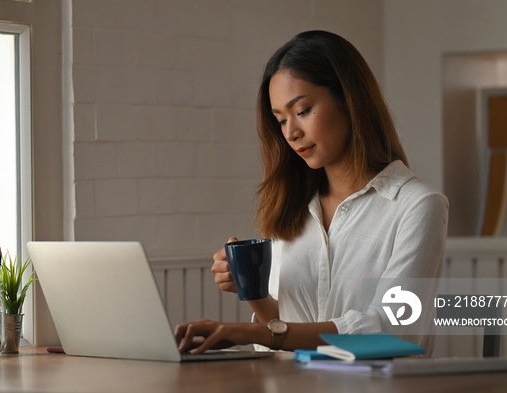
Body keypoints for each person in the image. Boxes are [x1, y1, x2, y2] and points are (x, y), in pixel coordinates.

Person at [173, 30, 449, 355]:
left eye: (302, 111)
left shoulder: (417, 206)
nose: (291, 132)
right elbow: (286, 326)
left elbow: (393, 330)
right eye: (280, 120)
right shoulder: (293, 209)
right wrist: (253, 291)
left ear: (349, 99)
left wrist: (252, 333)